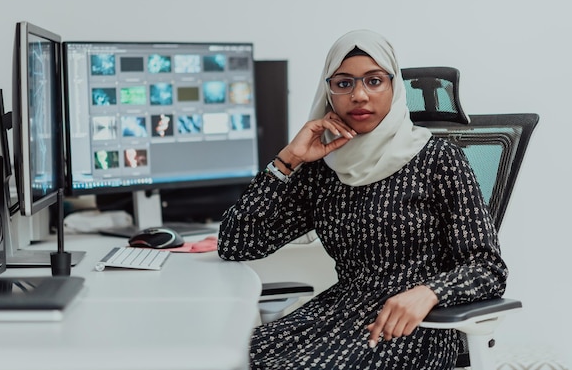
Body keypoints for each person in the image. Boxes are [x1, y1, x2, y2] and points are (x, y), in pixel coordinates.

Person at [217, 29, 508, 369]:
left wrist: (430, 292)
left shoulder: (438, 159)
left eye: (373, 81)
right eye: (344, 83)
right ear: (329, 92)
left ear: (394, 86)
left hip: (414, 327)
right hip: (337, 312)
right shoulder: (324, 169)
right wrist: (289, 160)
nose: (358, 95)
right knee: (223, 357)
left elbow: (488, 268)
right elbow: (238, 244)